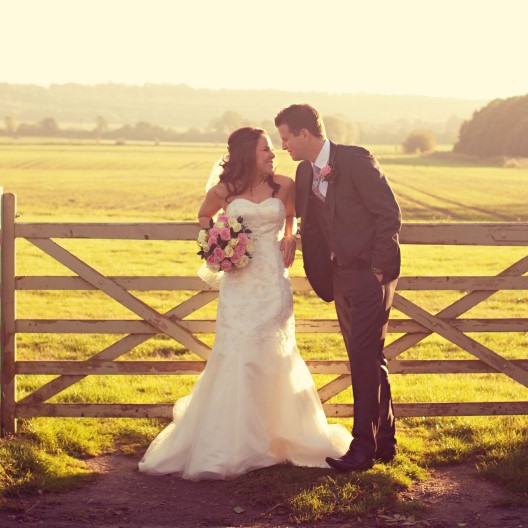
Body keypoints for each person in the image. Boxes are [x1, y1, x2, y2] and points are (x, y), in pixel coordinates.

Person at [138, 126, 351, 480]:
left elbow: (291, 217)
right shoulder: (223, 190)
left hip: (272, 281)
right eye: (266, 149)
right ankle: (232, 442)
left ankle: (279, 438)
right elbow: (203, 217)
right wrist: (220, 244)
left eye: (273, 148)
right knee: (237, 352)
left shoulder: (284, 184)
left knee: (275, 353)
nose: (273, 154)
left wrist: (289, 237)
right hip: (239, 283)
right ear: (246, 155)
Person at [274, 103, 402, 472]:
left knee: (363, 358)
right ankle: (384, 442)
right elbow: (310, 220)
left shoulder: (356, 160)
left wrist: (377, 268)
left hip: (368, 276)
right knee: (367, 358)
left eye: (286, 138)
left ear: (304, 134)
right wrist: (293, 238)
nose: (284, 146)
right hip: (339, 277)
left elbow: (388, 214)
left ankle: (361, 447)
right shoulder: (303, 171)